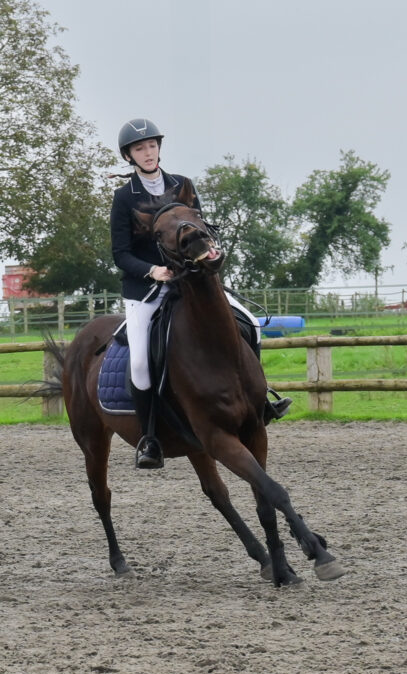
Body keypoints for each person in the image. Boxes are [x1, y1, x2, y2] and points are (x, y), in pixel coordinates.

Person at [109, 118, 290, 470]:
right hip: (148, 290)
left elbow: (201, 229)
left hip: (193, 282)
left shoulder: (183, 186)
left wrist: (209, 253)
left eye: (151, 146)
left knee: (249, 323)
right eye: (139, 149)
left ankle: (260, 401)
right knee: (141, 362)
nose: (147, 153)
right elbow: (121, 253)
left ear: (159, 147)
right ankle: (150, 439)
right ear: (129, 156)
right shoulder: (124, 197)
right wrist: (152, 270)